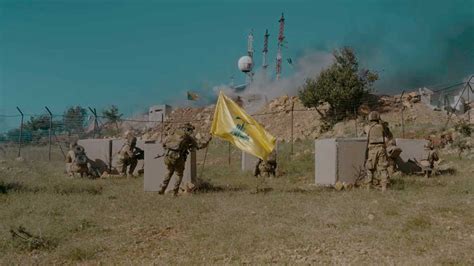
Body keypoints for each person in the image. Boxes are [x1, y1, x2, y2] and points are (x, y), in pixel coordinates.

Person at [158, 123, 211, 196]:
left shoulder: (173, 133)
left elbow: (163, 143)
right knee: (179, 174)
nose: (191, 132)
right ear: (188, 130)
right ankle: (175, 192)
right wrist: (208, 140)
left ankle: (162, 188)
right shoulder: (188, 137)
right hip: (178, 158)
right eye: (191, 130)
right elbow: (199, 145)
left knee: (169, 171)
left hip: (168, 156)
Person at [364, 111, 393, 191]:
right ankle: (384, 187)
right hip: (381, 149)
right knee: (383, 168)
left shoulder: (367, 127)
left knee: (370, 168)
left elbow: (365, 134)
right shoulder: (382, 127)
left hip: (372, 149)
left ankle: (368, 187)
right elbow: (389, 135)